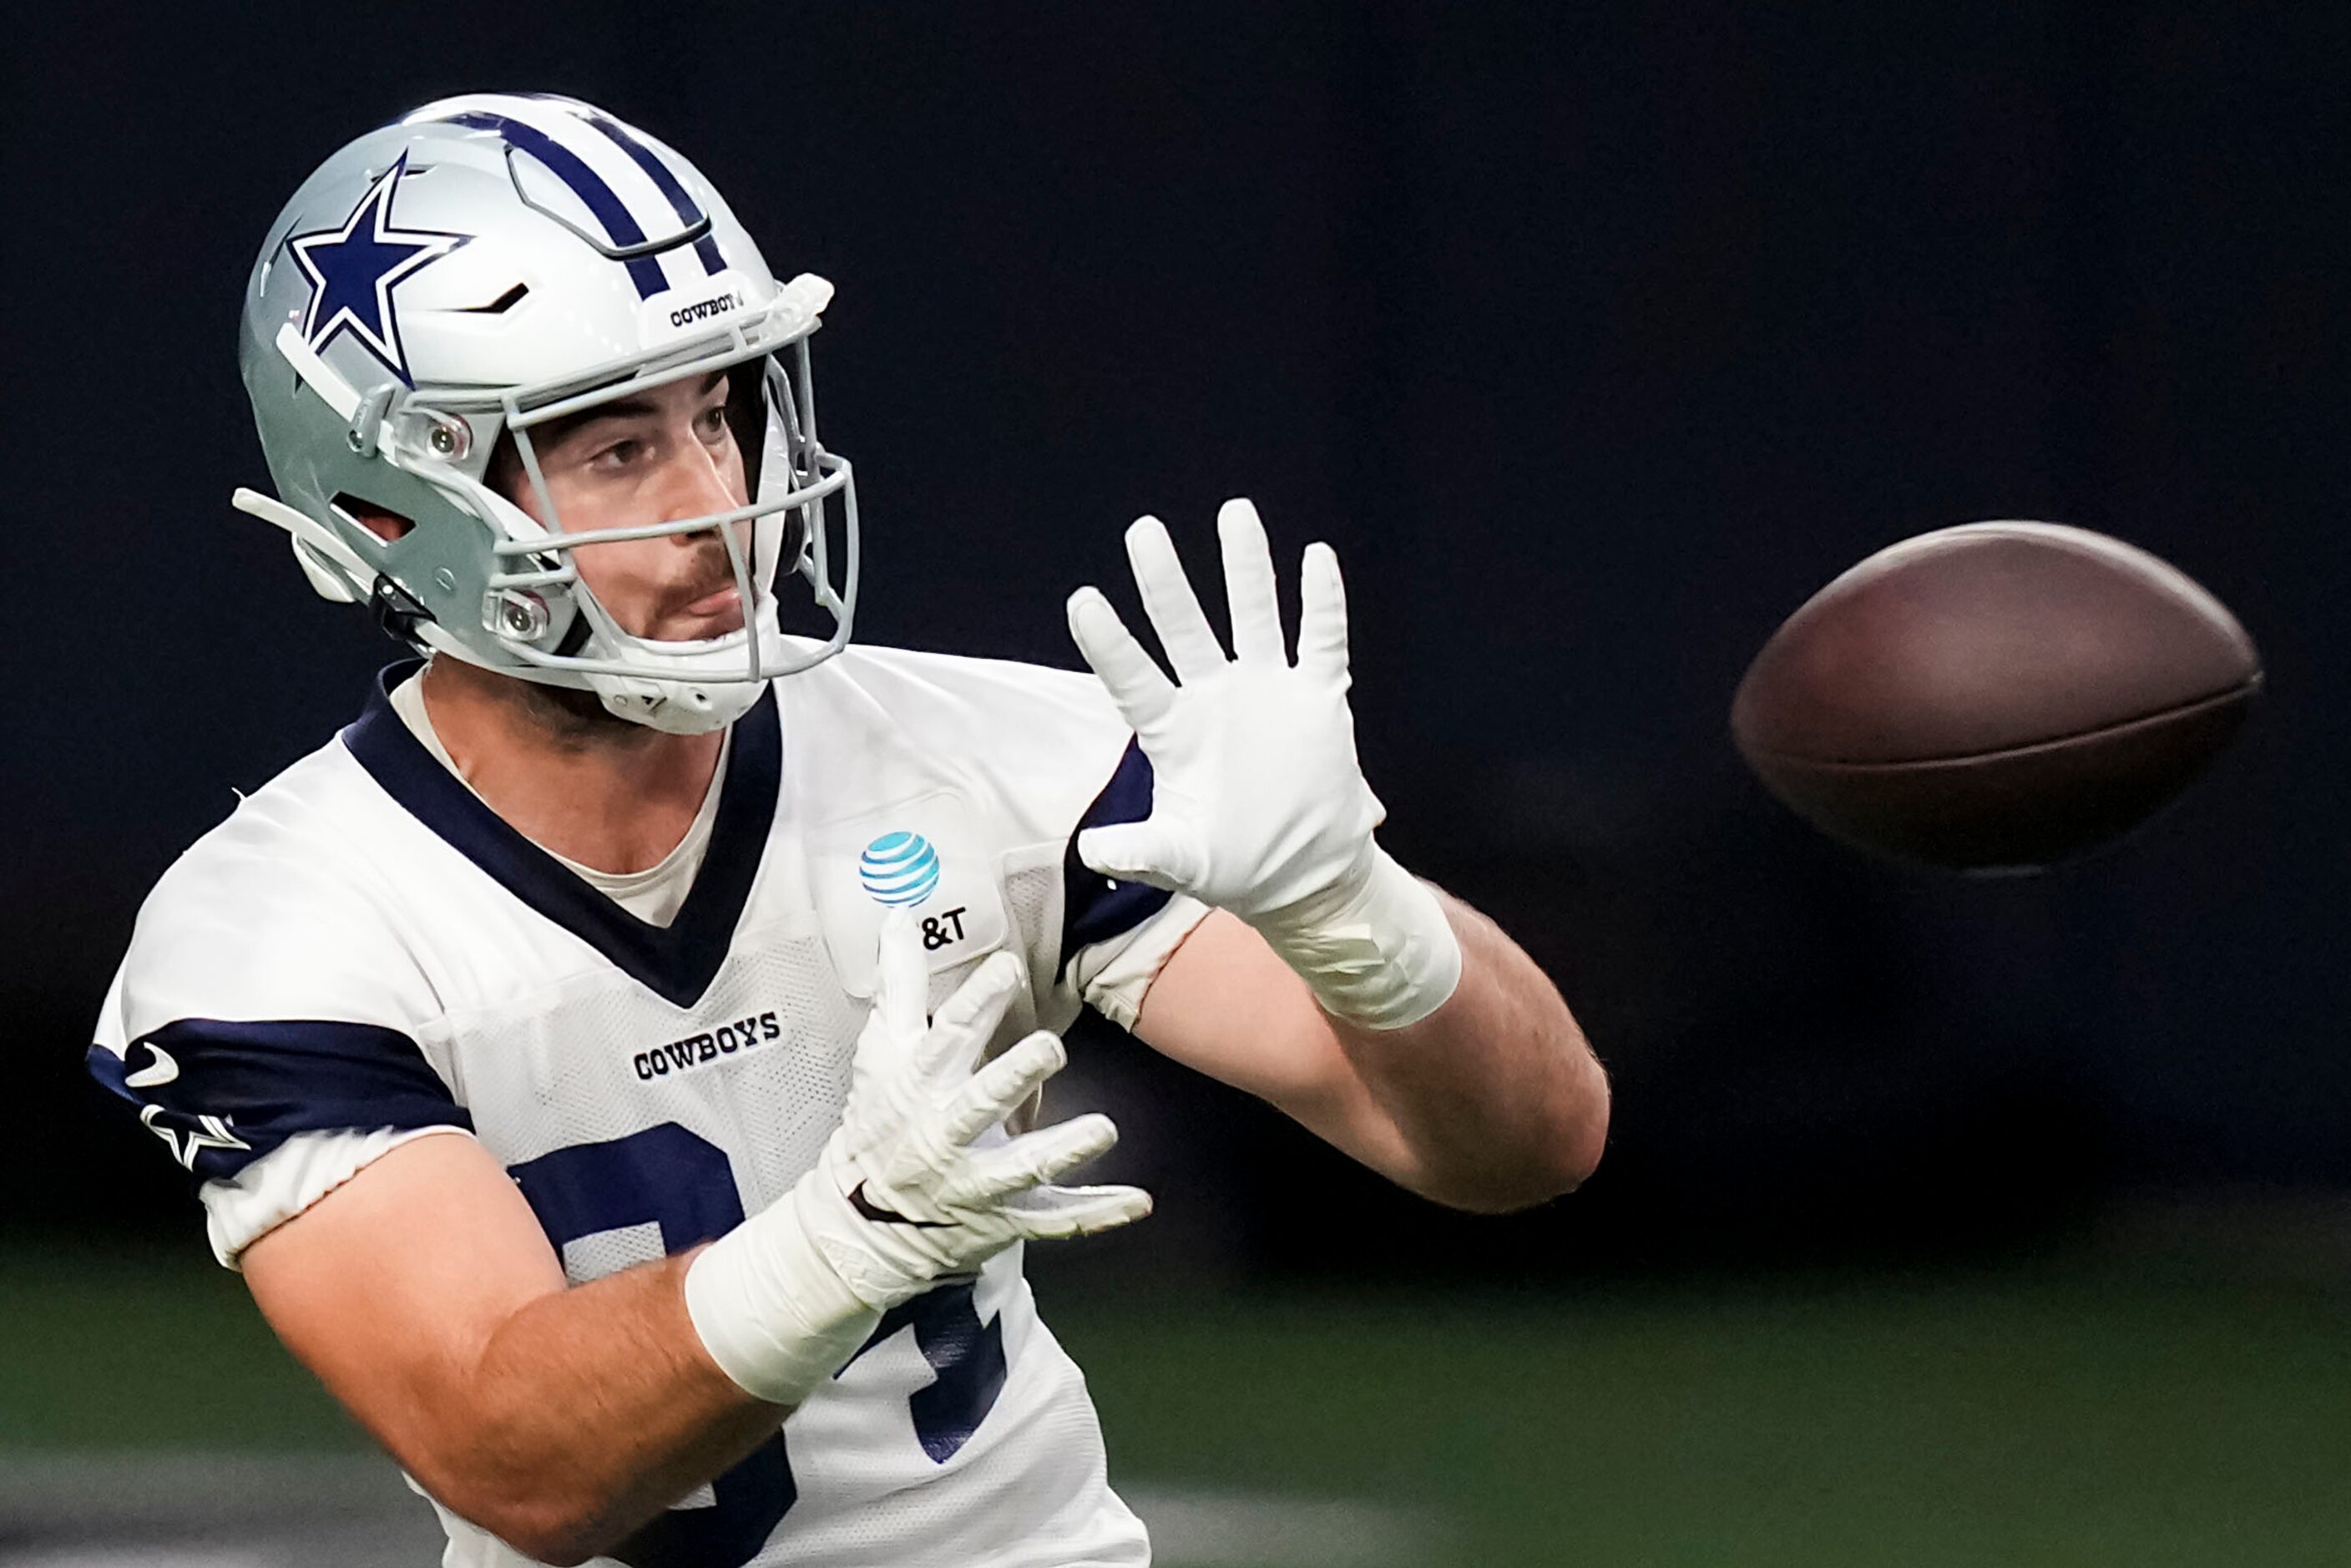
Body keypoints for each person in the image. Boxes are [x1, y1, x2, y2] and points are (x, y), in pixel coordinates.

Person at [88, 92, 1608, 1568]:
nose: (718, 502)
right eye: (615, 450)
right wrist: (847, 1239)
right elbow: (519, 1463)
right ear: (391, 507)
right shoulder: (287, 926)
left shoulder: (979, 757)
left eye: (722, 413)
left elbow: (1525, 1145)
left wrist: (1361, 913)